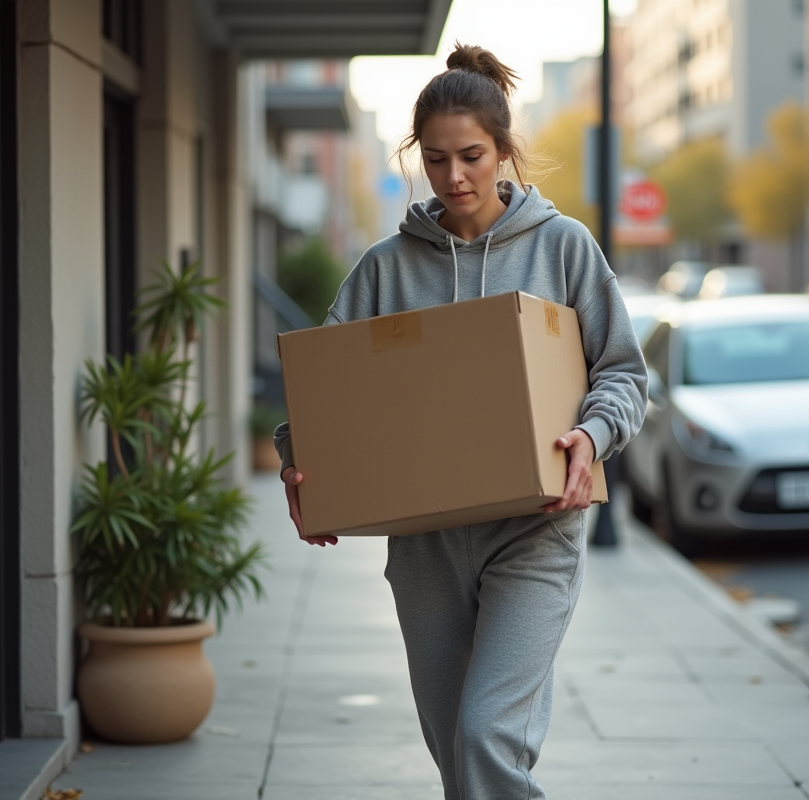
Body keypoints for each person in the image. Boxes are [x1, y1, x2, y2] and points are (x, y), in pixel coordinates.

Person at [274, 44, 647, 800]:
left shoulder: (563, 247)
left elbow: (626, 374)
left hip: (536, 532)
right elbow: (326, 392)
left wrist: (591, 437)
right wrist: (298, 460)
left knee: (484, 737)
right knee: (458, 757)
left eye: (472, 155)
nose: (455, 177)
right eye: (437, 159)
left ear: (504, 149)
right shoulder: (385, 268)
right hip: (426, 546)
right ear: (417, 156)